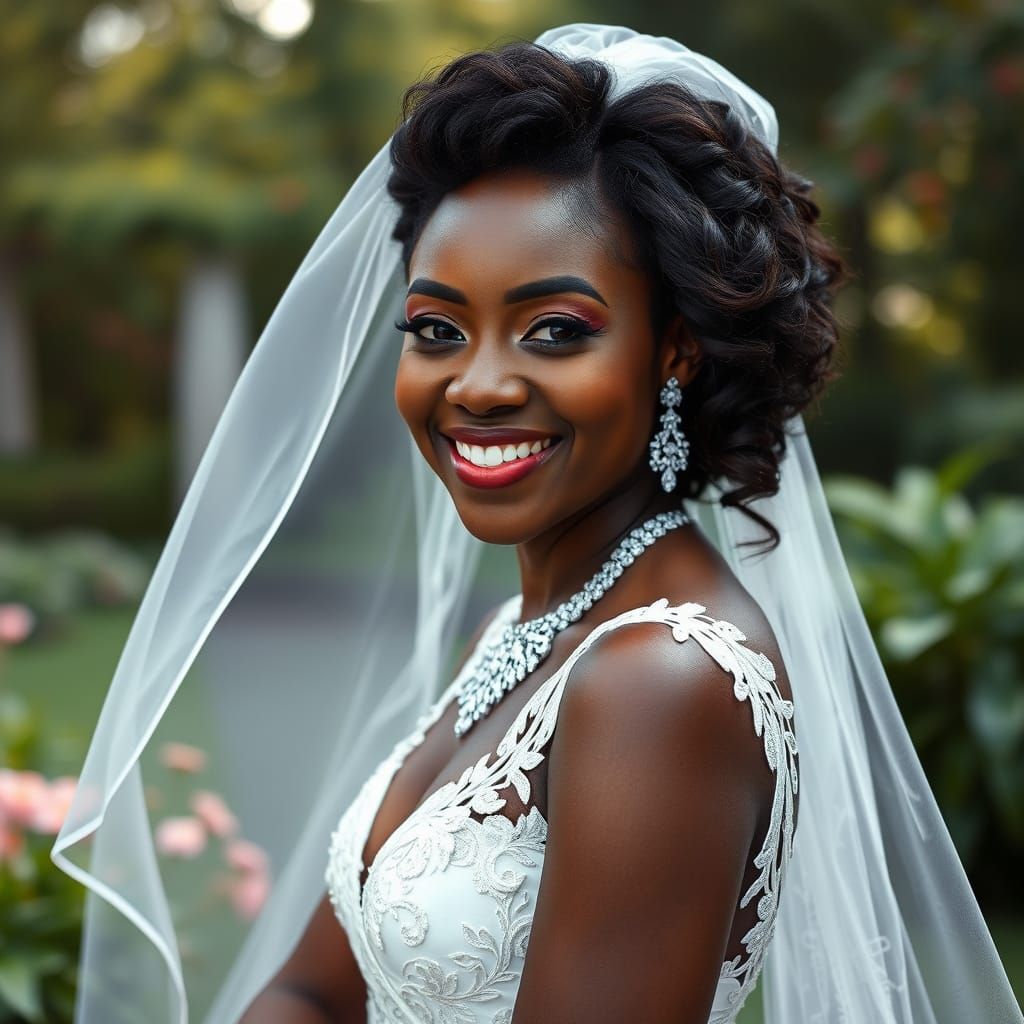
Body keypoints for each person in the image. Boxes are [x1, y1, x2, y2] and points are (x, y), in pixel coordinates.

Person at [53, 24, 1023, 1024]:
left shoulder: (659, 681)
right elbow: (314, 990)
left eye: (553, 329)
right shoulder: (523, 634)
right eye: (436, 329)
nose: (475, 384)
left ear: (676, 350)